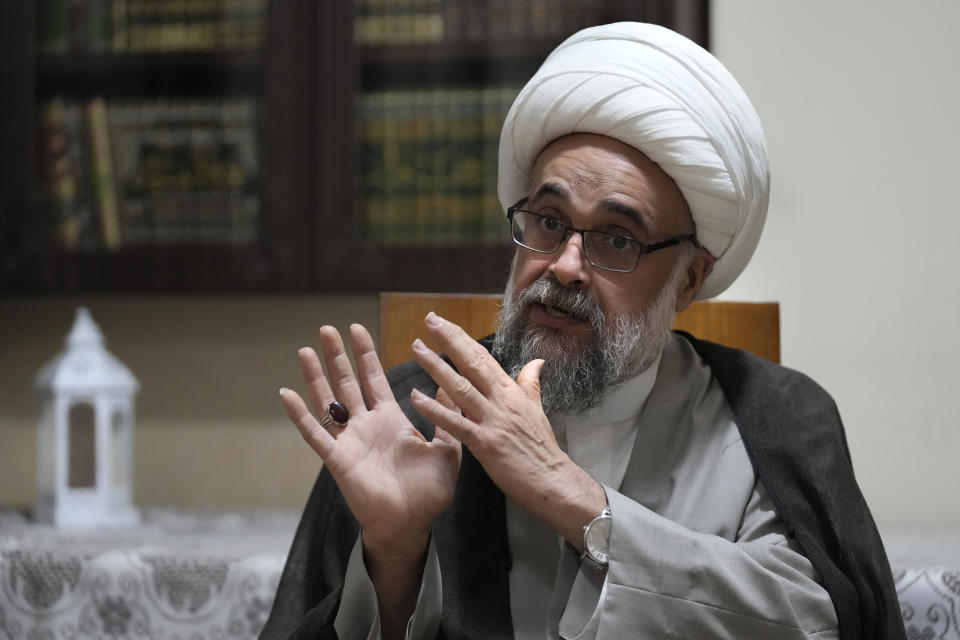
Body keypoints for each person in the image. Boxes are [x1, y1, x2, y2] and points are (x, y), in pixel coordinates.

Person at [260, 22, 904, 640]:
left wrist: (573, 498)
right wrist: (394, 554)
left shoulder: (774, 419)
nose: (565, 265)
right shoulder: (409, 417)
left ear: (687, 280)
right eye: (547, 221)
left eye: (617, 239)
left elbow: (819, 620)